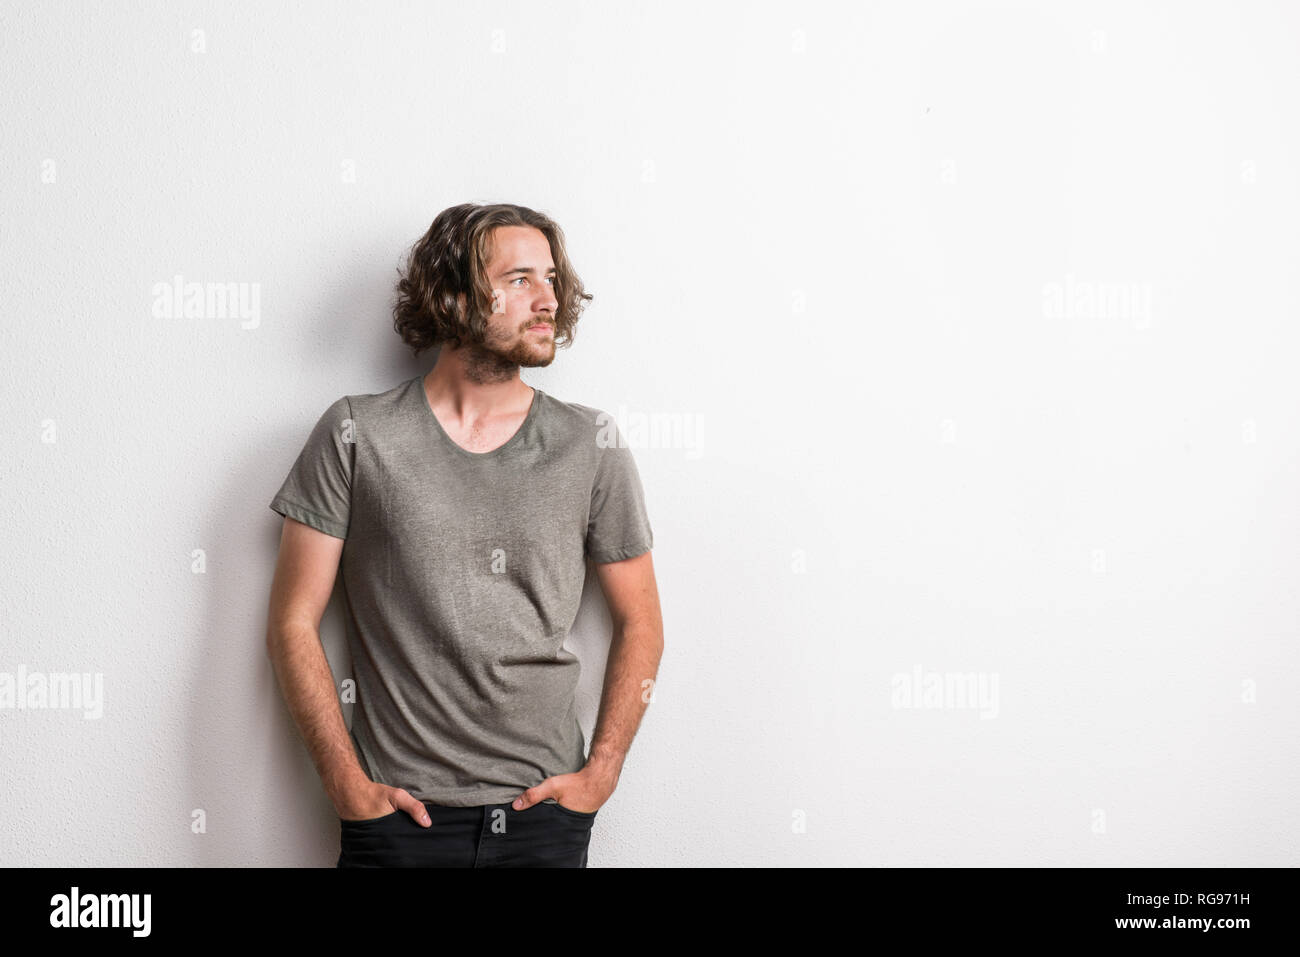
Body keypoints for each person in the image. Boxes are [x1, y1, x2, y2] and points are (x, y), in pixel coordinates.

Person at [264, 203, 663, 867]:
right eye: (519, 279)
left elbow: (642, 621)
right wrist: (345, 784)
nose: (548, 298)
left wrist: (602, 773)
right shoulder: (357, 433)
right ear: (451, 296)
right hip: (397, 818)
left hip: (544, 815)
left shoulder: (589, 443)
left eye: (552, 279)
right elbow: (291, 622)